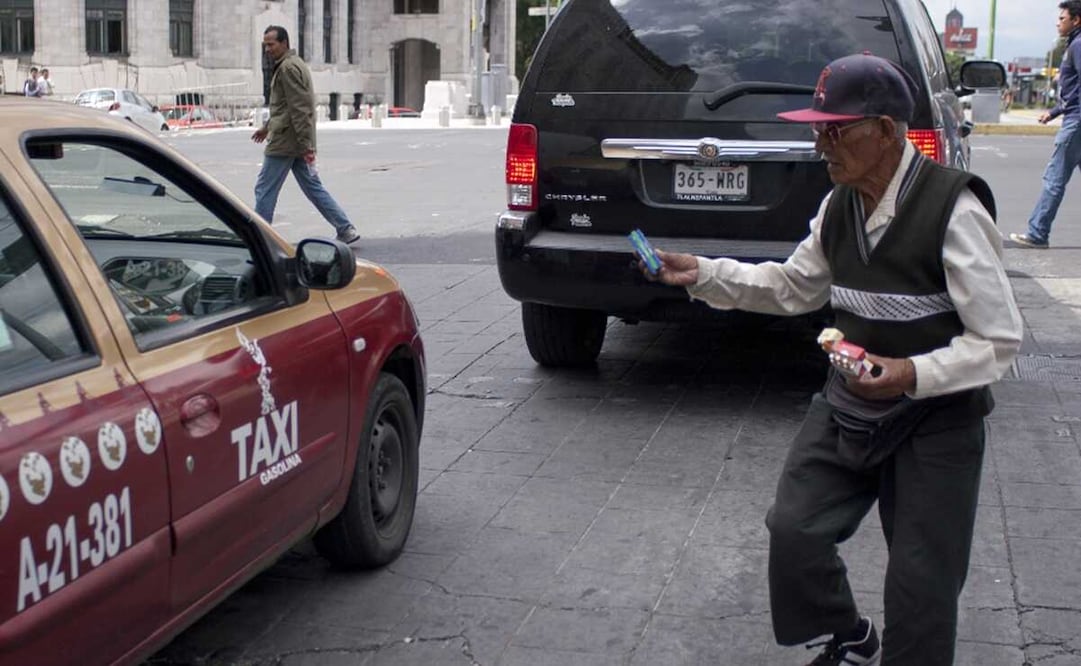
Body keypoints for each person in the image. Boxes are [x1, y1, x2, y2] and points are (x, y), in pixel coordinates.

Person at [641, 53, 1022, 665]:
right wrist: (703, 274)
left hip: (937, 419)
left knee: (922, 586)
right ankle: (848, 635)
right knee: (794, 530)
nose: (821, 144)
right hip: (851, 402)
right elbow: (794, 286)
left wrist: (912, 374)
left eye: (835, 129)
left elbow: (999, 339)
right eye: (816, 128)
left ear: (889, 132)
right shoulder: (839, 205)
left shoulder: (954, 209)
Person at [251, 25, 360, 244]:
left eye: (271, 45)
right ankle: (345, 228)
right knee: (312, 187)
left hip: (286, 141)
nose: (267, 50)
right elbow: (285, 107)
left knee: (264, 187)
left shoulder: (288, 68)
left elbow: (300, 108)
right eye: (265, 45)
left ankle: (260, 237)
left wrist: (306, 145)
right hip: (294, 139)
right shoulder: (291, 64)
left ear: (284, 43)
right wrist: (266, 127)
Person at [1010, 0, 1081, 249]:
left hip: (1076, 123)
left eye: (1062, 18)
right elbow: (1075, 91)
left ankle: (1037, 233)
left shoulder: (1078, 45)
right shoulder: (1075, 44)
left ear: (1076, 20)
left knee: (1054, 179)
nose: (1057, 22)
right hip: (1074, 117)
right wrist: (1054, 112)